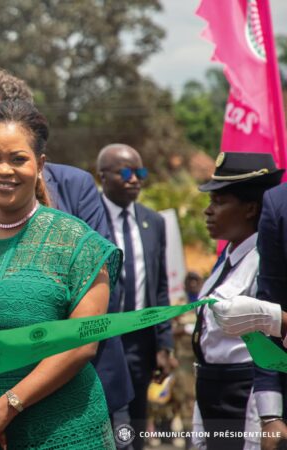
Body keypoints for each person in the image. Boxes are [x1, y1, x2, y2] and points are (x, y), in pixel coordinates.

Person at [0, 69, 134, 422]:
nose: (3, 169)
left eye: (18, 158)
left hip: (60, 420)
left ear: (39, 164)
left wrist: (8, 404)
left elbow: (84, 334)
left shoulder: (77, 238)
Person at [184, 152, 282, 449]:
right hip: (212, 390)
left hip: (244, 393)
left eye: (219, 202)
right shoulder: (228, 257)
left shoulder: (264, 261)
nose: (208, 211)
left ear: (251, 208)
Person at [97, 143, 174, 449]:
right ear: (102, 176)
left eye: (140, 172)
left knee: (137, 423)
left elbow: (160, 286)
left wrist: (164, 343)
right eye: (125, 172)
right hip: (103, 340)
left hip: (141, 341)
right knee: (112, 421)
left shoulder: (154, 222)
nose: (135, 180)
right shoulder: (90, 220)